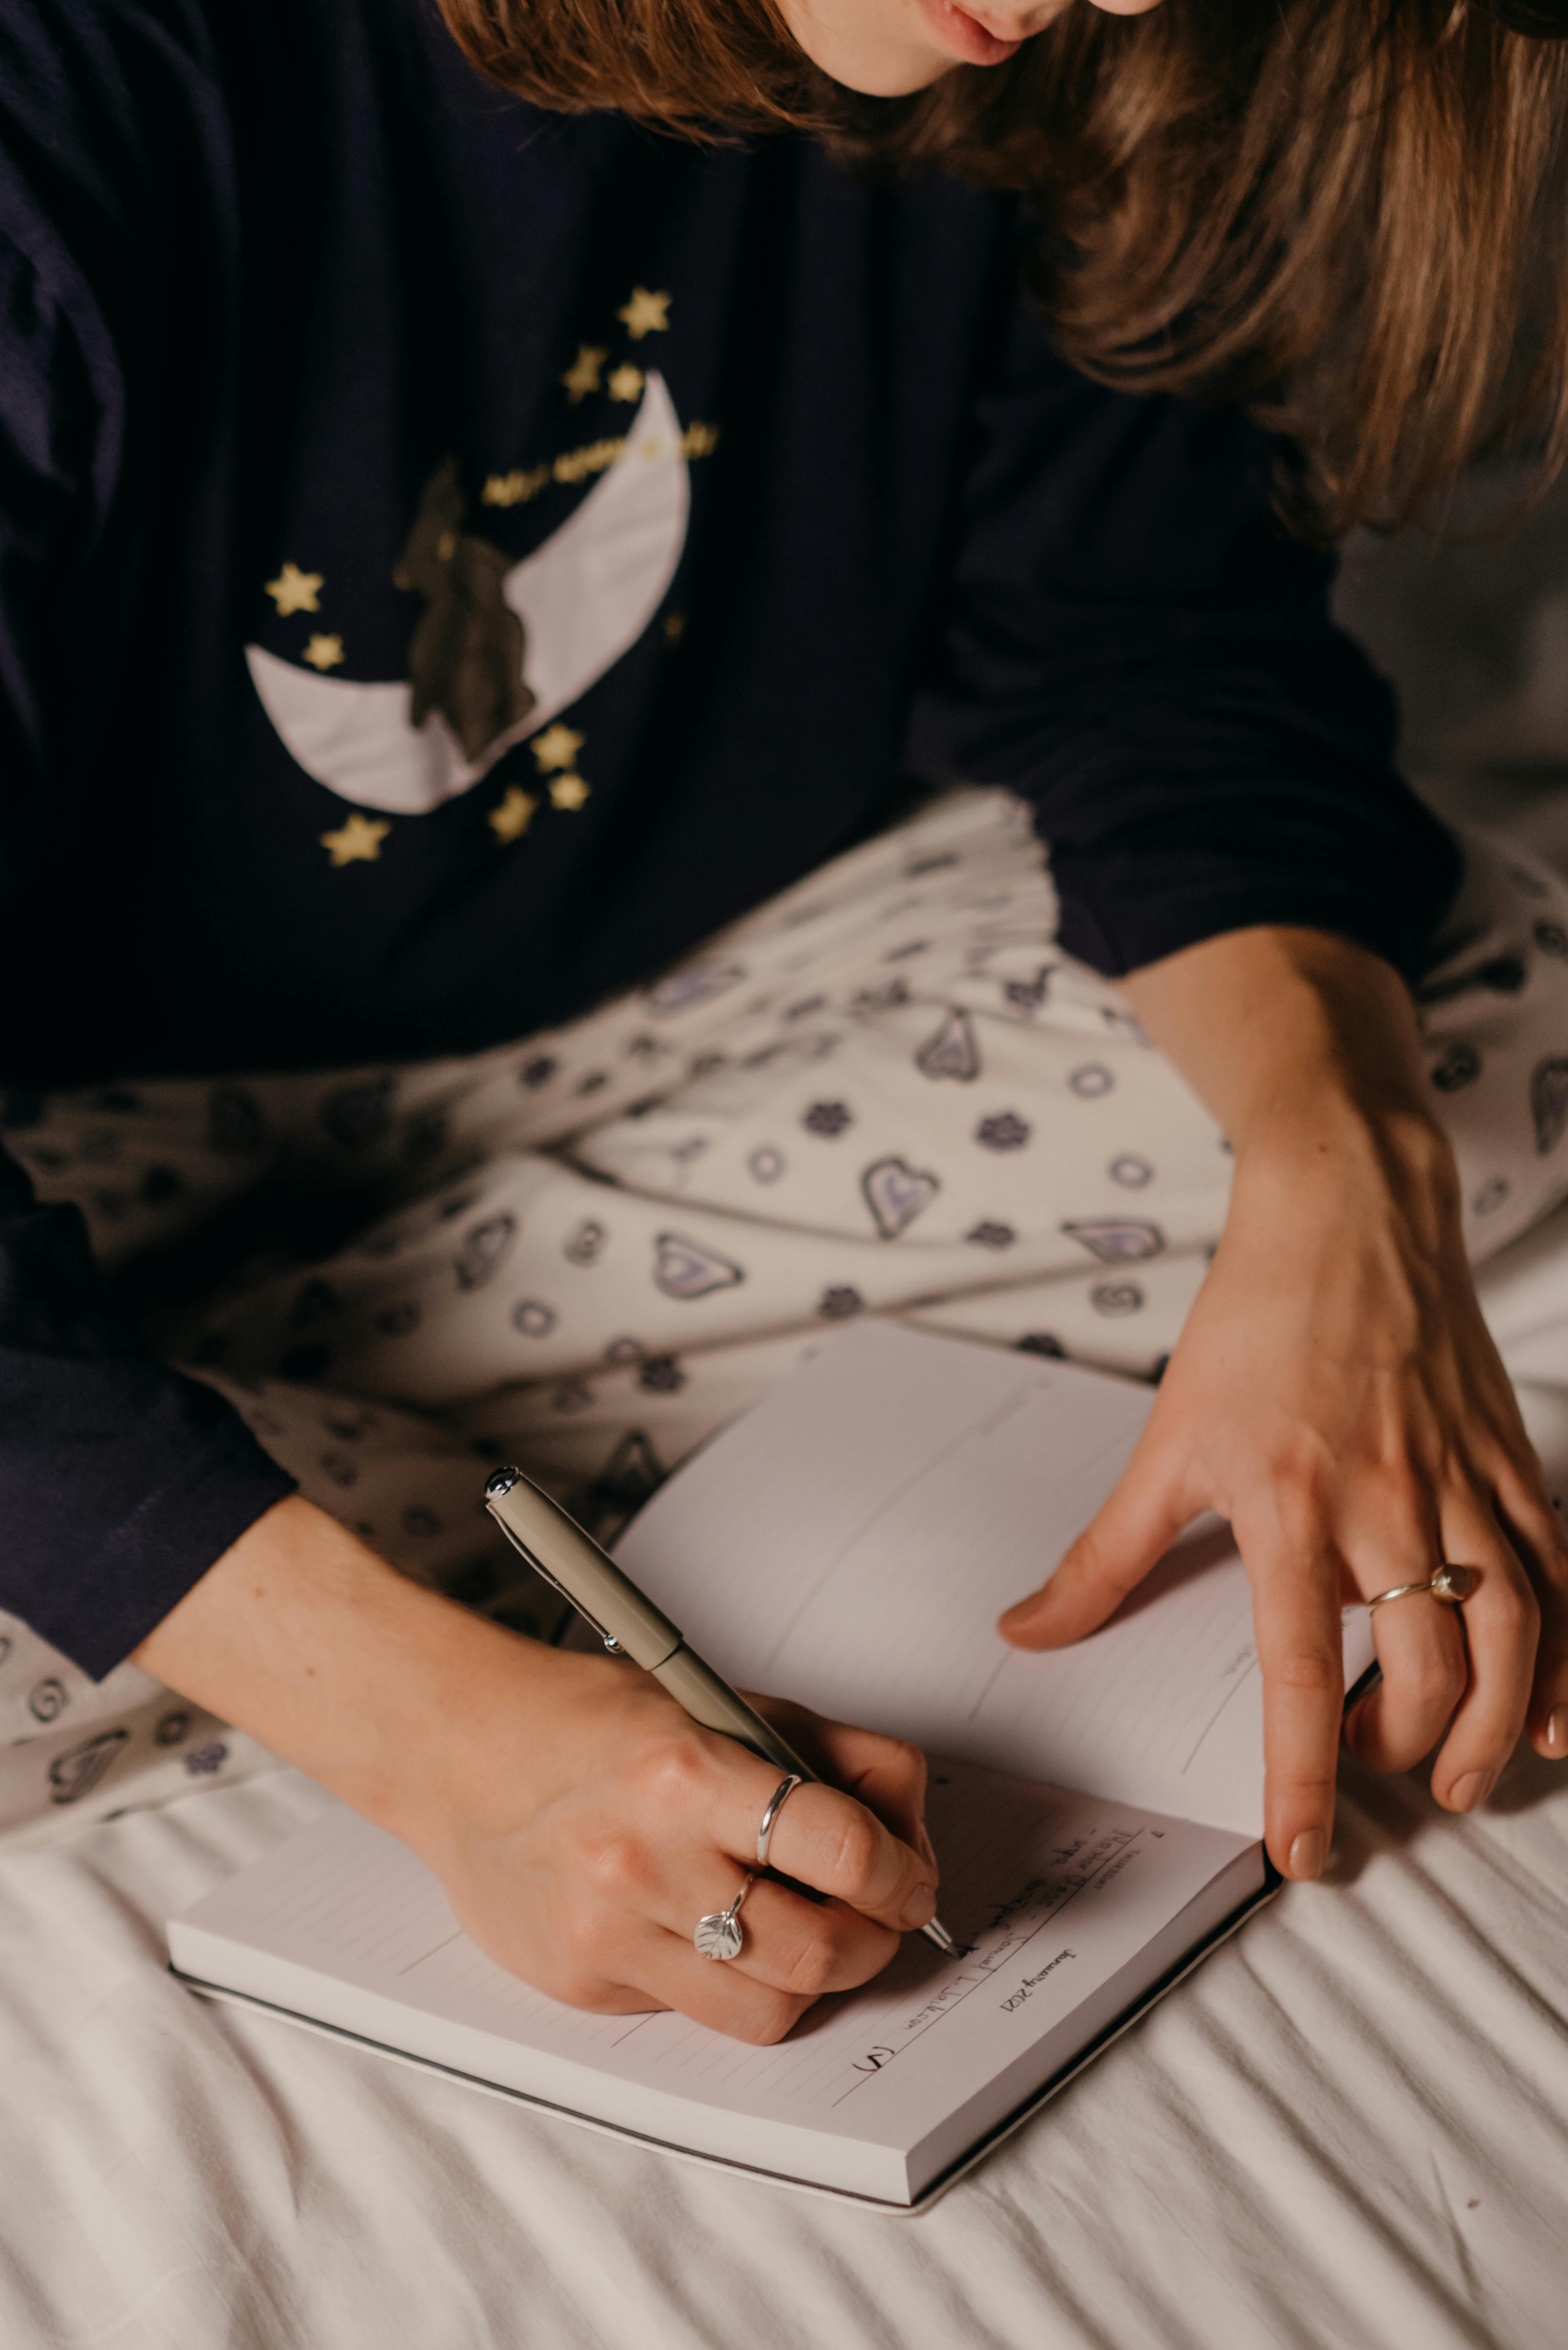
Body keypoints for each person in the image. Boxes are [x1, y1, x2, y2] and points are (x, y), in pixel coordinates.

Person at [0, 0, 1564, 2048]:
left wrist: (1336, 1173)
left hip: (703, 983)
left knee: (1479, 1029)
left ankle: (212, 1417)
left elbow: (1149, 652)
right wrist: (454, 1745)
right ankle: (205, 1454)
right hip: (70, 1102)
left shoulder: (1072, 49)